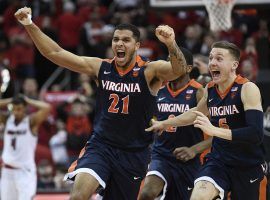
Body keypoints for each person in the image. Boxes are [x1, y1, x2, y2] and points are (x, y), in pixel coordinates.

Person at [14, 7, 188, 200]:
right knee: (78, 196)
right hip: (101, 146)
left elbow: (178, 71)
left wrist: (171, 44)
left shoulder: (149, 71)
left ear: (137, 45)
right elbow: (55, 52)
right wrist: (29, 24)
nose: (119, 44)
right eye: (116, 39)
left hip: (134, 152)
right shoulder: (101, 67)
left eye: (126, 40)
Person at [146, 41, 265, 200]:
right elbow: (196, 113)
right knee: (198, 197)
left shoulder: (247, 88)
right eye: (211, 58)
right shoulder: (210, 89)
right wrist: (165, 123)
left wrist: (214, 131)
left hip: (246, 164)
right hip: (218, 161)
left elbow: (255, 133)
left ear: (234, 65)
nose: (213, 62)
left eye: (219, 58)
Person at [138, 48, 212, 200]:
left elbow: (216, 131)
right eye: (169, 62)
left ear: (189, 68)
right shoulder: (158, 90)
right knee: (147, 193)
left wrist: (193, 150)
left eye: (177, 63)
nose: (172, 66)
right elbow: (148, 118)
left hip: (189, 160)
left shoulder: (199, 92)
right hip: (161, 155)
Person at [0, 95, 51, 200]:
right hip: (7, 172)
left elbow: (47, 107)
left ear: (25, 108)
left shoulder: (31, 121)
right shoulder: (7, 120)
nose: (16, 112)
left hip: (24, 172)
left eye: (19, 109)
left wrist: (28, 100)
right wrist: (10, 100)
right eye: (13, 109)